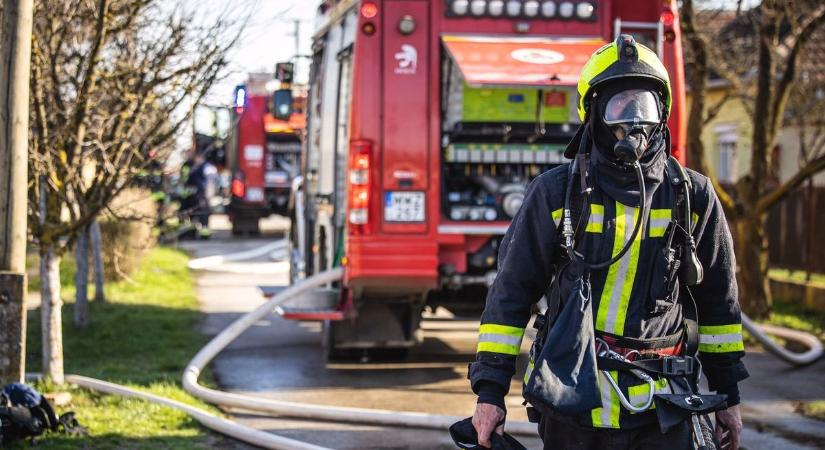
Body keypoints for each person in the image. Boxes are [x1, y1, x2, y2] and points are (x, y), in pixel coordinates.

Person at [468, 35, 748, 450]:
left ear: (663, 113)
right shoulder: (556, 194)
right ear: (594, 114)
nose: (634, 122)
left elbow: (718, 304)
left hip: (663, 404)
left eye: (644, 106)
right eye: (620, 106)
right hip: (573, 399)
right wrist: (490, 394)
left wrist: (728, 395)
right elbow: (510, 295)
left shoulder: (692, 195)